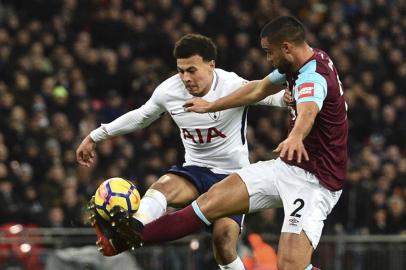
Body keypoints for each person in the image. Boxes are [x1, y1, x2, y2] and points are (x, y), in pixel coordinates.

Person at [109, 16, 348, 270]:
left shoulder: (312, 77)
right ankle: (134, 235)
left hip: (315, 181)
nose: (268, 59)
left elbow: (308, 111)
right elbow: (257, 90)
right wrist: (211, 105)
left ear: (286, 47)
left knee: (290, 267)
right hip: (287, 167)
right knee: (210, 202)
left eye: (269, 52)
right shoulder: (305, 60)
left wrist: (296, 136)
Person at [77, 33, 287, 269]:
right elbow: (141, 116)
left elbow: (269, 97)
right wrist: (96, 136)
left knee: (224, 243)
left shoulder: (232, 85)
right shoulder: (169, 91)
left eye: (191, 70)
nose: (185, 78)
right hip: (195, 170)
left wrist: (290, 98)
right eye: (181, 70)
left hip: (233, 177)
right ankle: (133, 228)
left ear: (211, 65)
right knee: (162, 188)